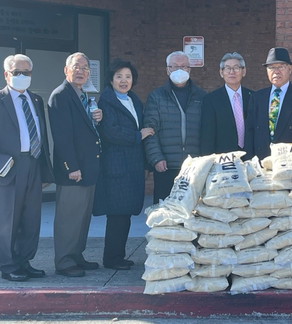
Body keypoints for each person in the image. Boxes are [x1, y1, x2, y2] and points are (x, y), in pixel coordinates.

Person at [0, 54, 54, 282]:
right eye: (16, 72)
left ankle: (24, 262)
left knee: (31, 218)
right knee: (8, 219)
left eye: (26, 72)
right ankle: (8, 266)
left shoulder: (36, 100)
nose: (21, 76)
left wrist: (45, 171)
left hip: (33, 164)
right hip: (9, 167)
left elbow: (42, 137)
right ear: (6, 74)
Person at [92, 59, 154, 270]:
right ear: (111, 79)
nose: (124, 80)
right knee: (117, 214)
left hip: (132, 166)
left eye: (128, 76)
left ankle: (119, 255)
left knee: (125, 214)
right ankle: (111, 258)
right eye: (119, 76)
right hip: (116, 167)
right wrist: (138, 135)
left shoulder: (134, 100)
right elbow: (111, 133)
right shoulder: (106, 102)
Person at [48, 52, 103, 277]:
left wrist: (96, 118)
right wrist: (71, 167)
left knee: (82, 217)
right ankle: (64, 261)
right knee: (68, 218)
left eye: (85, 68)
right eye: (76, 67)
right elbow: (62, 137)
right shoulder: (60, 95)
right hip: (74, 171)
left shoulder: (82, 95)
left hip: (88, 168)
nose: (80, 71)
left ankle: (76, 255)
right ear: (66, 70)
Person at [144, 51, 207, 204]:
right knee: (165, 215)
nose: (179, 70)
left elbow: (207, 131)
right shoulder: (156, 96)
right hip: (165, 166)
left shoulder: (201, 96)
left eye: (183, 66)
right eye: (174, 66)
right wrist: (156, 158)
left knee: (193, 213)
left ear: (190, 69)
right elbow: (150, 129)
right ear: (167, 69)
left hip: (193, 167)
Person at [244, 47, 292, 160]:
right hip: (261, 162)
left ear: (290, 69)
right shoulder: (257, 98)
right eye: (272, 67)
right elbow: (250, 131)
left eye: (281, 67)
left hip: (291, 162)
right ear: (267, 71)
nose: (276, 71)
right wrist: (248, 160)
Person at [200, 52, 253, 155]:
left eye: (236, 68)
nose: (231, 72)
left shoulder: (253, 97)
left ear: (244, 71)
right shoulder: (211, 100)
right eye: (227, 68)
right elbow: (207, 136)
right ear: (221, 72)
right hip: (223, 159)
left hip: (250, 157)